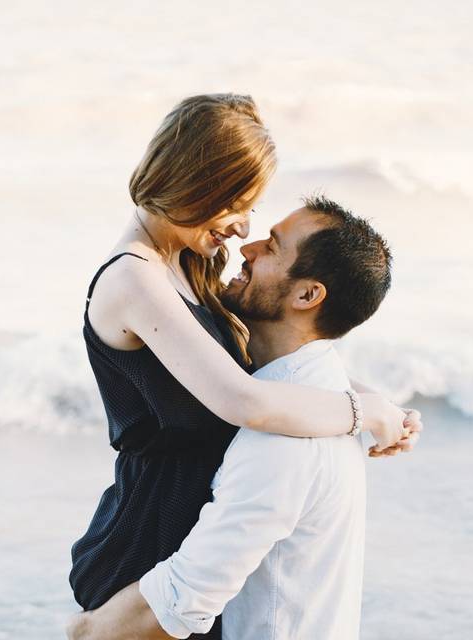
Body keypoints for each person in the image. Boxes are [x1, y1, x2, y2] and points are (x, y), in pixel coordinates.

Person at [70, 94, 421, 638]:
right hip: (146, 548)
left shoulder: (191, 258)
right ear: (195, 184)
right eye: (235, 204)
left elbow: (260, 360)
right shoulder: (132, 280)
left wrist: (377, 400)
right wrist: (362, 412)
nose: (242, 229)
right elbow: (245, 400)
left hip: (195, 544)